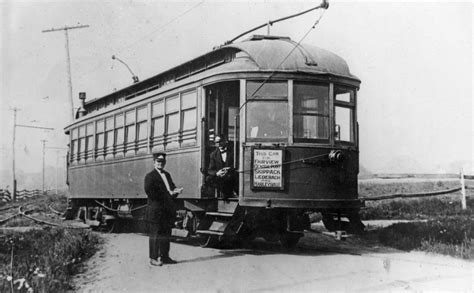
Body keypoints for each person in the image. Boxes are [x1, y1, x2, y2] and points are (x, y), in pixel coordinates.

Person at [144, 152, 183, 266]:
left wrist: (176, 191)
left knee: (166, 233)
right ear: (154, 162)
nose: (160, 164)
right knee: (155, 235)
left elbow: (171, 187)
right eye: (158, 161)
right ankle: (153, 258)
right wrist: (169, 194)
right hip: (156, 210)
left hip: (166, 210)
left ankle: (165, 257)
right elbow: (150, 193)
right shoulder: (150, 176)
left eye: (162, 162)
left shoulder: (167, 174)